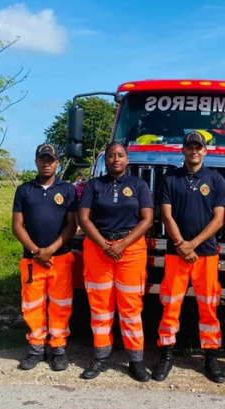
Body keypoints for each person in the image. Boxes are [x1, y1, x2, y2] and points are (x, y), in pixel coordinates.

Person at [151, 131, 225, 383]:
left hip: (206, 254)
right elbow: (166, 215)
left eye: (199, 147)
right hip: (176, 254)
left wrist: (192, 244)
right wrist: (180, 244)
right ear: (183, 150)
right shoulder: (170, 179)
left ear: (205, 151)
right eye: (190, 147)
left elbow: (219, 219)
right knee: (170, 305)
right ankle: (166, 355)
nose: (194, 151)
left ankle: (210, 357)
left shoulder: (215, 180)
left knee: (208, 307)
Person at [77, 141, 154, 382]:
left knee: (131, 308)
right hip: (99, 250)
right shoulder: (94, 185)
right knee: (100, 306)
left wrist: (122, 244)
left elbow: (147, 219)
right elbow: (84, 218)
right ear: (105, 160)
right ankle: (100, 357)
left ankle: (136, 361)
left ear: (127, 159)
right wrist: (103, 244)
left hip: (130, 250)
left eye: (120, 155)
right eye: (111, 156)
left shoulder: (139, 185)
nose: (116, 159)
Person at [12, 143, 78, 371]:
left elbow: (72, 225)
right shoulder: (24, 190)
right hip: (32, 261)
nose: (46, 163)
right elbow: (17, 226)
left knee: (60, 306)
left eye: (51, 160)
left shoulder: (68, 190)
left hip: (60, 257)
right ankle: (36, 349)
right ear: (36, 162)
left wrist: (50, 250)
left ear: (58, 162)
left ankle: (58, 349)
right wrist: (35, 251)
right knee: (32, 305)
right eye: (42, 159)